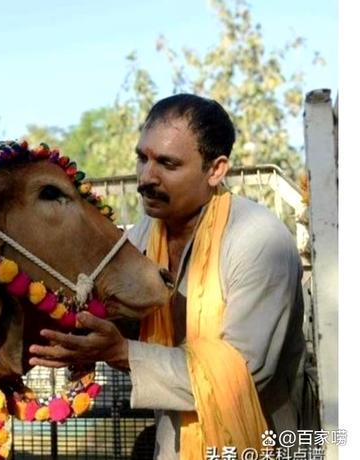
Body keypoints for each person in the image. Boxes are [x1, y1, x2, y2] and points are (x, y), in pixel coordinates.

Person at [29, 93, 317, 459]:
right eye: (142, 158)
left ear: (216, 170)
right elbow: (127, 313)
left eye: (167, 163)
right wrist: (84, 336)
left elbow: (245, 371)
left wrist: (122, 352)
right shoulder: (145, 234)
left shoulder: (258, 239)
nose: (146, 178)